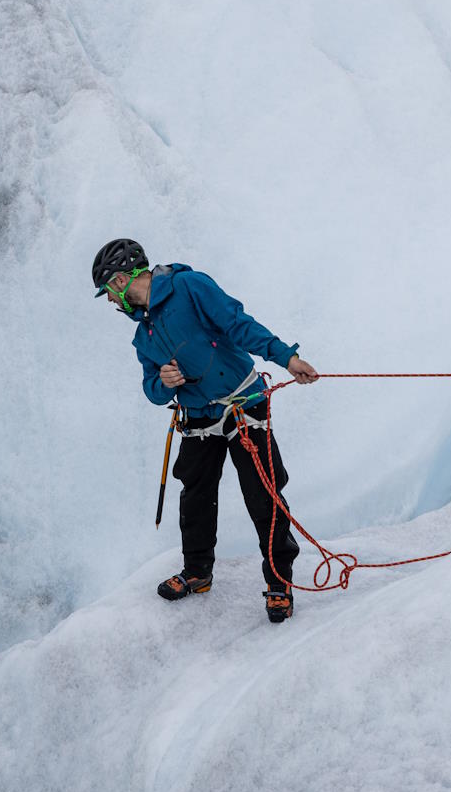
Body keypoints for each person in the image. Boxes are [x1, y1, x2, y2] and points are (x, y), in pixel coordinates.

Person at [93, 238, 319, 623]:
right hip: (198, 418)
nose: (112, 303)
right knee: (195, 497)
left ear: (119, 281)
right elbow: (150, 389)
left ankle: (279, 583)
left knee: (263, 495)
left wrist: (287, 358)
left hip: (245, 404)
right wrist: (163, 383)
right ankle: (198, 573)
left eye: (109, 293)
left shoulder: (189, 287)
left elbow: (237, 323)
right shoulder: (142, 338)